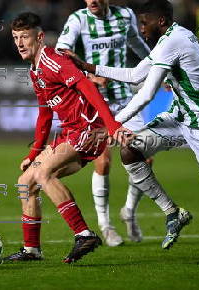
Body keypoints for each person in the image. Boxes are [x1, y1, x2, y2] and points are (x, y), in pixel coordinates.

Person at [64, 0, 199, 251]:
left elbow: (146, 94)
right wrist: (88, 66)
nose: (141, 29)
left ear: (160, 21)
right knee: (130, 150)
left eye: (144, 23)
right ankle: (173, 212)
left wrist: (113, 124)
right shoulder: (168, 39)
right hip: (180, 118)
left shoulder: (174, 42)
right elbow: (135, 75)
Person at [4, 12, 130, 263]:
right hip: (70, 132)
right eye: (16, 37)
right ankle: (32, 250)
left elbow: (88, 87)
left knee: (44, 174)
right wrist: (32, 154)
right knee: (25, 182)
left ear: (39, 37)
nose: (19, 43)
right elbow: (45, 114)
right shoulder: (35, 70)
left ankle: (83, 234)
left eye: (25, 37)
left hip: (88, 128)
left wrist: (112, 124)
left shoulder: (53, 61)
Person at [56, 0, 151, 245]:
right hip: (95, 100)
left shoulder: (125, 16)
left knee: (145, 157)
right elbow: (61, 54)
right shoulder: (78, 19)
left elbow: (137, 44)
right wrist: (88, 76)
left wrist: (159, 69)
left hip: (124, 98)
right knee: (104, 161)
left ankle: (129, 211)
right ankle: (105, 225)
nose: (92, 1)